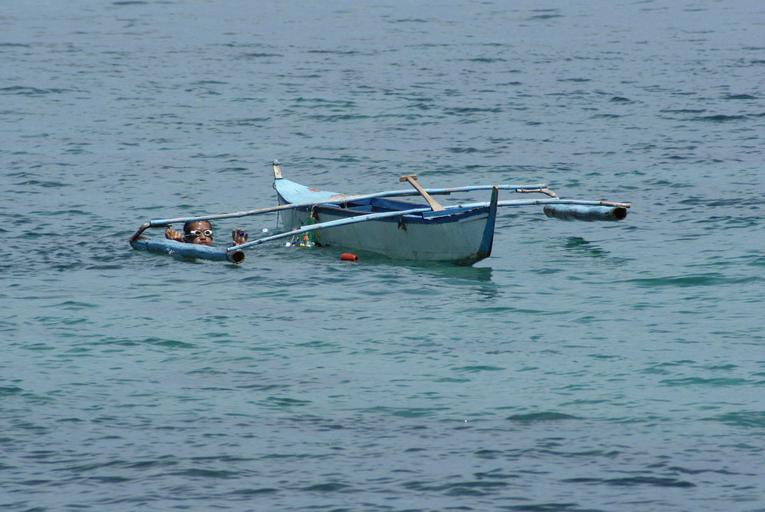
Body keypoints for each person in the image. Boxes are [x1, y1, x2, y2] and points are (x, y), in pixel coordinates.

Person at [165, 220, 248, 246]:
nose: (203, 237)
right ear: (186, 238)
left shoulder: (221, 247)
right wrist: (175, 244)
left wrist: (239, 246)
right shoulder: (181, 245)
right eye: (197, 233)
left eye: (207, 233)